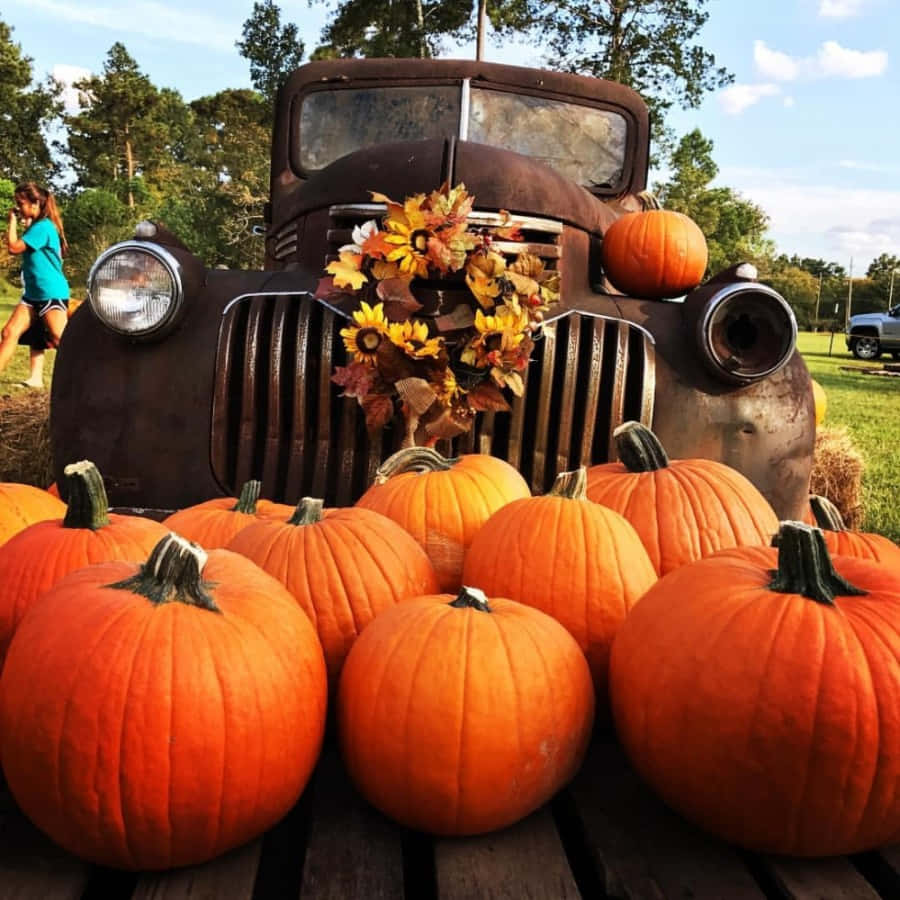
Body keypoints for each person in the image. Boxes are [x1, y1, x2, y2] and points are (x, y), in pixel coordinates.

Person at [0, 182, 70, 386]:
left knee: (61, 339)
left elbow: (13, 248)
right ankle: (36, 379)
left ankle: (89, 374)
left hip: (50, 293)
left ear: (35, 203)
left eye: (20, 204)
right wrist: (26, 221)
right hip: (32, 294)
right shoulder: (37, 227)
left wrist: (11, 221)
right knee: (10, 332)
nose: (18, 208)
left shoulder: (43, 227)